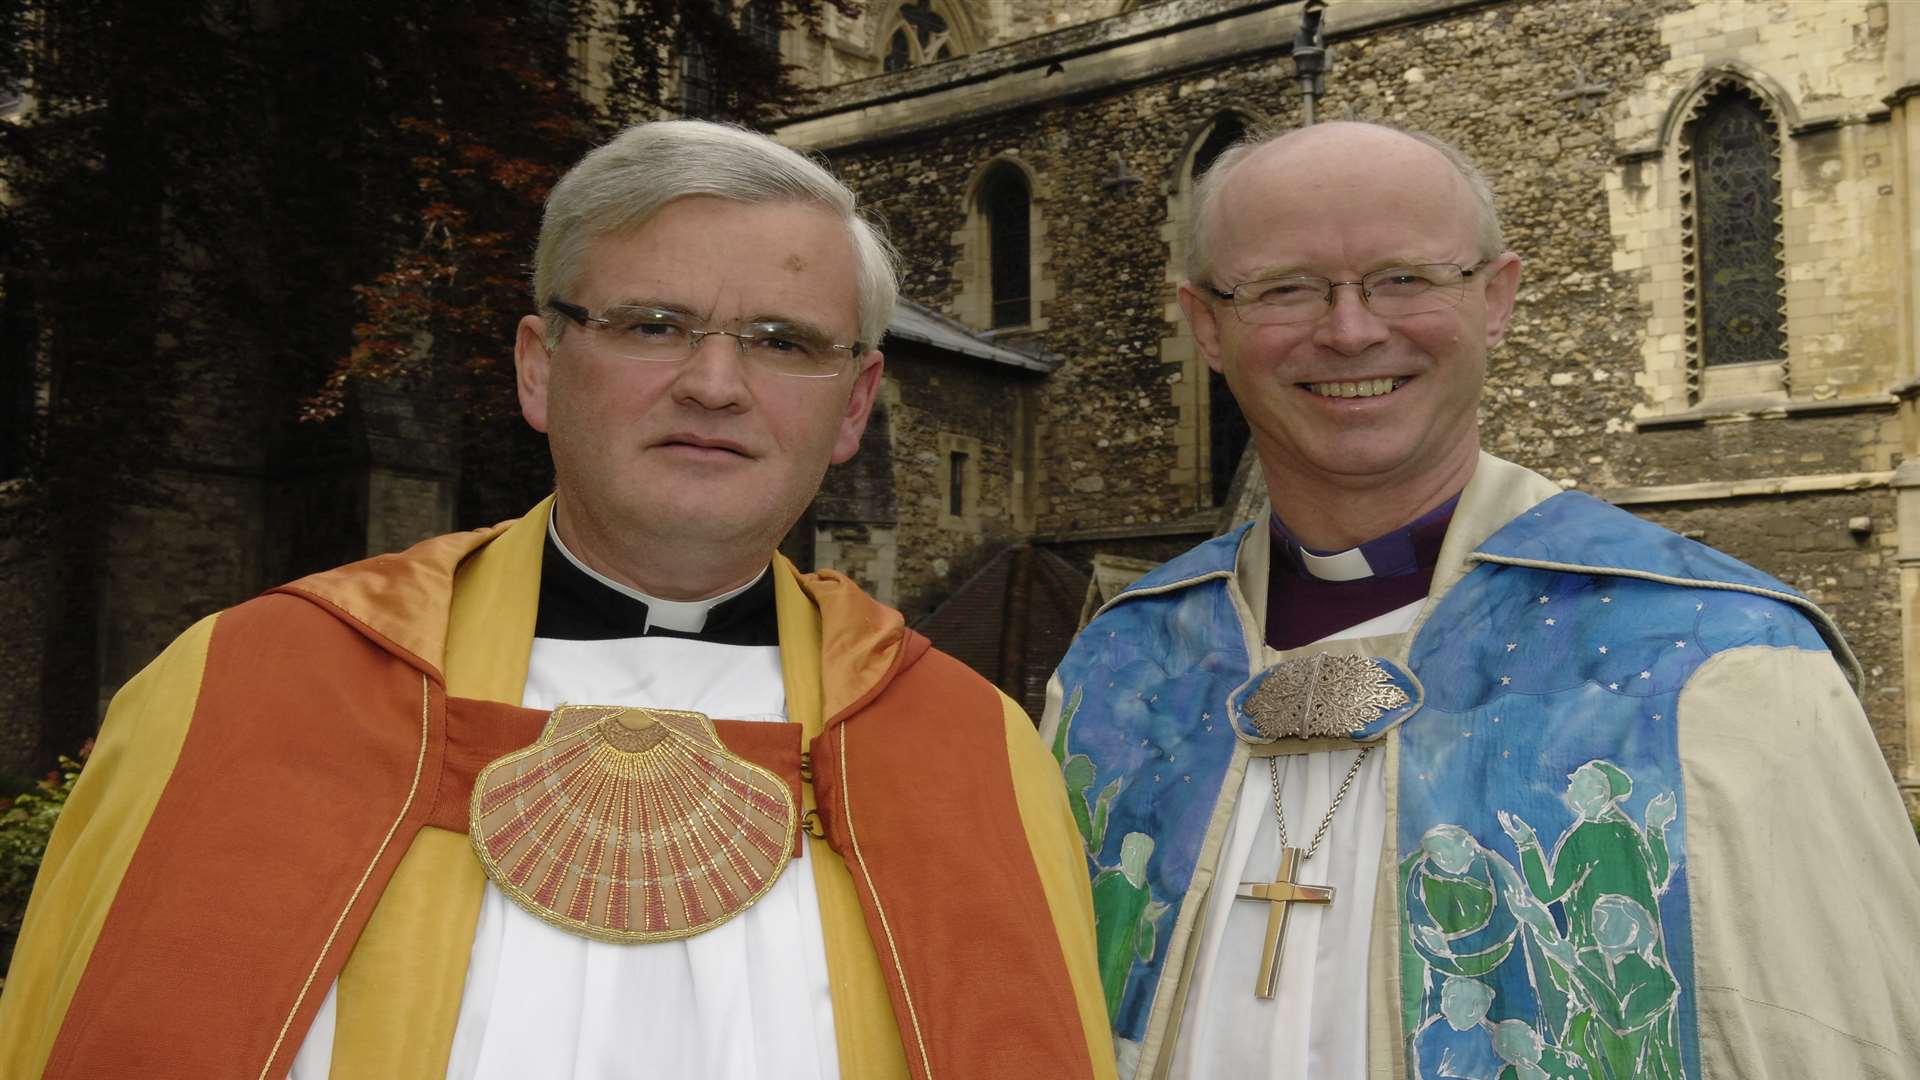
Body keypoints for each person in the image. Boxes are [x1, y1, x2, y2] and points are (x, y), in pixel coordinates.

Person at [1, 120, 1116, 1080]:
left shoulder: (967, 750)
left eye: (783, 343)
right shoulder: (251, 689)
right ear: (539, 365)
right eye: (650, 324)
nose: (714, 384)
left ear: (853, 407)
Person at [1042, 120, 1920, 1079]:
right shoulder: (1118, 669)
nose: (1350, 329)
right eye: (1285, 288)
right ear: (1207, 325)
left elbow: (1847, 1042)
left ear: (1496, 299)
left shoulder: (1715, 659)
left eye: (1407, 278)